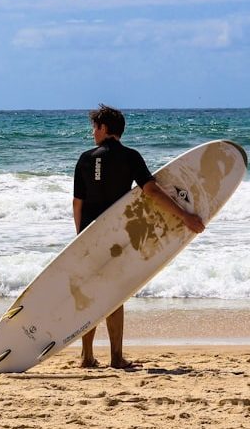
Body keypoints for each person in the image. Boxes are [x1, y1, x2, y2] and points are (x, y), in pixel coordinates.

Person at [72, 104, 205, 369]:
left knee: (91, 294)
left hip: (89, 236)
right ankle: (116, 357)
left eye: (94, 128)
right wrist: (185, 216)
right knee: (114, 295)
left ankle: (86, 356)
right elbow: (152, 192)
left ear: (103, 128)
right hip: (116, 236)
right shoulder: (130, 157)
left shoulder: (85, 159)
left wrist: (80, 237)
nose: (92, 133)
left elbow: (78, 203)